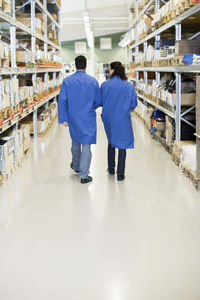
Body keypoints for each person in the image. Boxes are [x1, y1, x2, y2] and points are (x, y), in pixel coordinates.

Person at [58, 56, 101, 184]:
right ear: (86, 66)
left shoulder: (67, 81)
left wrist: (63, 118)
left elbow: (62, 100)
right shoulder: (93, 82)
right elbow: (98, 101)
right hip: (88, 117)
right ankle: (84, 175)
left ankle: (76, 166)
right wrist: (91, 106)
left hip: (73, 117)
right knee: (86, 145)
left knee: (75, 142)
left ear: (75, 65)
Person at [101, 61, 138, 181]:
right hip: (122, 118)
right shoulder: (128, 86)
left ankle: (111, 168)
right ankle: (120, 174)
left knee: (111, 141)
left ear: (112, 70)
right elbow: (133, 104)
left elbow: (100, 101)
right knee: (122, 144)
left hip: (108, 118)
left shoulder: (105, 85)